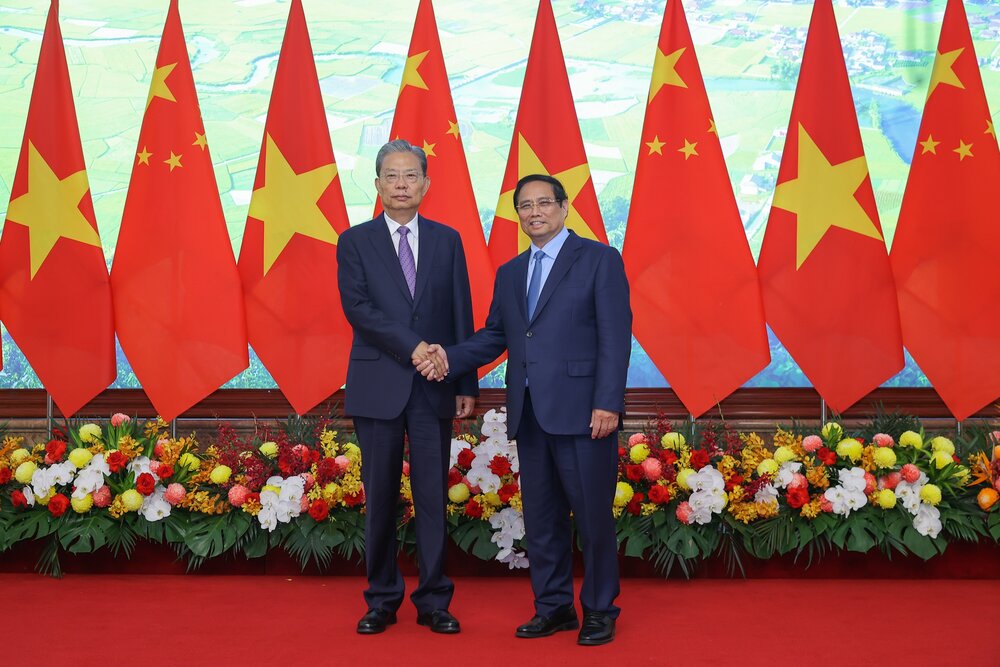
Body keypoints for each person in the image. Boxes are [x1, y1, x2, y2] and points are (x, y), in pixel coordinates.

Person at [416, 174, 631, 646]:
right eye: (525, 206)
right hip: (530, 413)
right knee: (542, 517)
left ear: (564, 207)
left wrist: (607, 402)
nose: (535, 212)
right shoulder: (511, 272)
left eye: (544, 203)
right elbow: (497, 335)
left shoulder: (599, 259)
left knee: (593, 519)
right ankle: (553, 607)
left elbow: (616, 338)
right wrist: (449, 356)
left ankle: (599, 610)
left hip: (584, 413)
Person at [337, 139, 477, 635]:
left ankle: (434, 599)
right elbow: (358, 309)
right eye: (392, 176)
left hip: (435, 387)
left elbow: (460, 312)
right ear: (377, 184)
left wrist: (465, 381)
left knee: (432, 495)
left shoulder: (447, 240)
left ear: (426, 184)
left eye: (411, 175)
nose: (401, 184)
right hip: (378, 384)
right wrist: (415, 348)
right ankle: (381, 599)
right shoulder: (354, 241)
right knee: (379, 495)